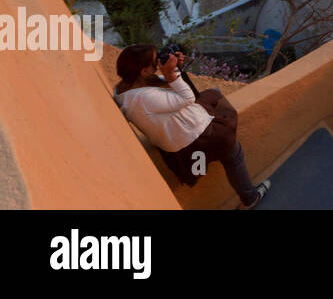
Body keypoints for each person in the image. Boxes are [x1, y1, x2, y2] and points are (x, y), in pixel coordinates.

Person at [114, 44, 270, 209]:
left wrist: (175, 68)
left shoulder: (126, 88)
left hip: (178, 138)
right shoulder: (142, 98)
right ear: (143, 71)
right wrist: (169, 73)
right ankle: (250, 197)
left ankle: (210, 158)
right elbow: (188, 98)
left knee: (213, 95)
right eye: (155, 62)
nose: (159, 62)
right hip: (193, 137)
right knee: (232, 151)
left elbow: (179, 88)